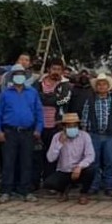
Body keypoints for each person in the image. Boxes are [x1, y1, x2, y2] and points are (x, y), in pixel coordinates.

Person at [0, 64, 43, 203]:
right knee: (8, 162)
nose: (19, 76)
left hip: (28, 132)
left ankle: (26, 191)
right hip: (10, 132)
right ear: (12, 77)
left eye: (21, 74)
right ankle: (6, 191)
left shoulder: (32, 92)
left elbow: (39, 111)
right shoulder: (5, 93)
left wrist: (39, 128)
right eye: (16, 74)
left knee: (26, 162)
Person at [81, 73, 112, 197]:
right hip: (94, 135)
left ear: (108, 86)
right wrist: (84, 136)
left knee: (109, 161)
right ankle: (94, 185)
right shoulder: (90, 100)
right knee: (94, 161)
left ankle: (109, 186)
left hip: (109, 135)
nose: (101, 86)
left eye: (104, 84)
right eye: (99, 84)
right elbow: (84, 119)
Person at [35, 58, 72, 190]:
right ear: (48, 69)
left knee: (54, 155)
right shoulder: (38, 83)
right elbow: (35, 99)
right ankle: (35, 183)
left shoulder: (66, 85)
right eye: (53, 69)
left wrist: (46, 98)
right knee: (37, 154)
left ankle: (50, 183)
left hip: (56, 125)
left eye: (59, 69)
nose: (56, 72)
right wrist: (51, 98)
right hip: (38, 125)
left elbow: (62, 100)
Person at [45, 112, 96, 204]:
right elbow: (50, 158)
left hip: (79, 170)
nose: (72, 128)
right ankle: (63, 191)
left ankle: (83, 194)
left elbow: (90, 155)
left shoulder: (85, 136)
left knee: (91, 170)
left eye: (74, 126)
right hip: (64, 171)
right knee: (49, 183)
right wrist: (59, 143)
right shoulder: (57, 137)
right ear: (64, 127)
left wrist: (79, 167)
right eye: (69, 126)